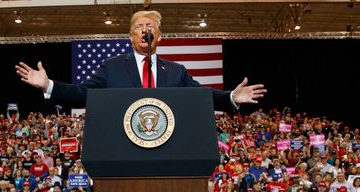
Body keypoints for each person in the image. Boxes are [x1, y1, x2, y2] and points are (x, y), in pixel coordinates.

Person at [15, 10, 266, 114]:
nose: (145, 30)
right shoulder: (112, 67)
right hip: (121, 150)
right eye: (139, 27)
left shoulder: (176, 72)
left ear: (159, 36)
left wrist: (230, 97)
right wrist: (48, 86)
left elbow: (200, 96)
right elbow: (81, 94)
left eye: (151, 27)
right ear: (131, 37)